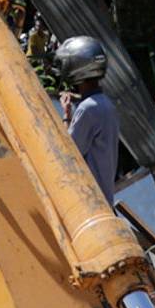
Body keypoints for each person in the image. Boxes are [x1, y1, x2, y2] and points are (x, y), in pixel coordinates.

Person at [56, 35, 119, 202]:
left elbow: (69, 153)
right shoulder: (105, 104)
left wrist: (66, 115)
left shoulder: (87, 109)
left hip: (91, 199)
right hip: (105, 196)